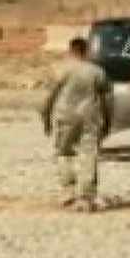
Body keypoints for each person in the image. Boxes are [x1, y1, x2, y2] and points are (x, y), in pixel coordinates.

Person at [40, 36, 113, 211]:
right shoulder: (97, 71)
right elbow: (107, 99)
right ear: (86, 51)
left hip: (65, 115)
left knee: (63, 152)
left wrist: (45, 118)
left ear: (71, 50)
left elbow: (49, 97)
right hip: (90, 116)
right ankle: (87, 194)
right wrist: (108, 120)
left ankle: (69, 190)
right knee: (89, 153)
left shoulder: (61, 70)